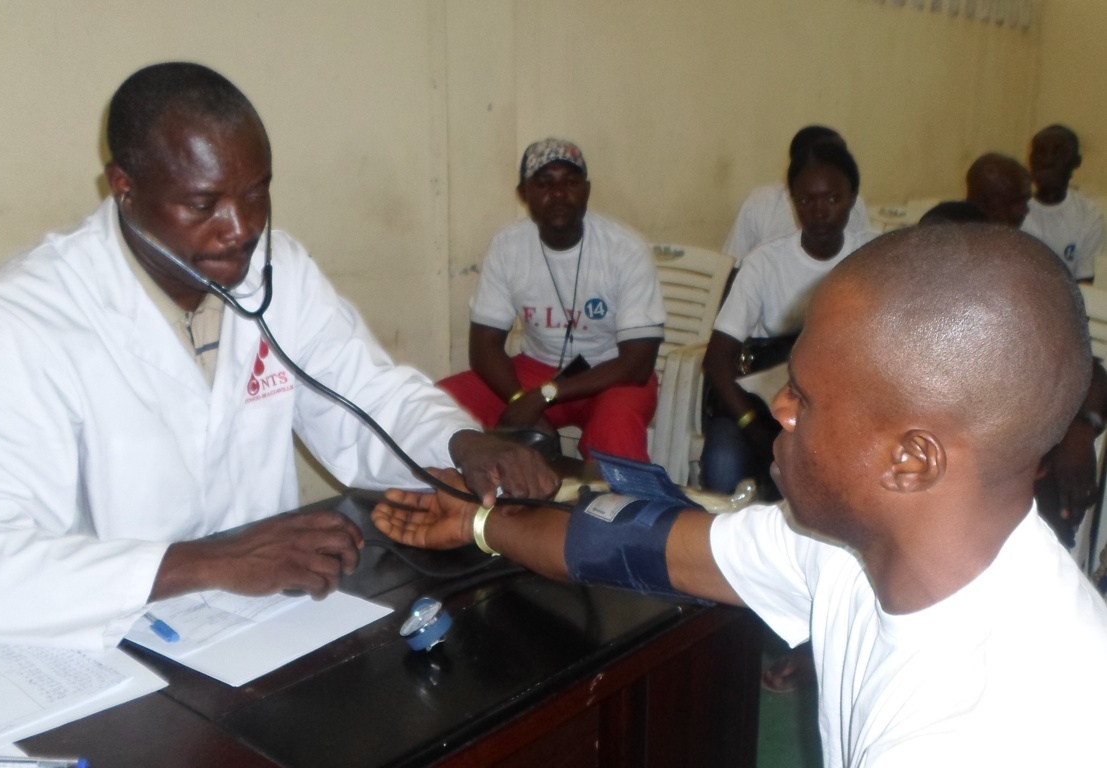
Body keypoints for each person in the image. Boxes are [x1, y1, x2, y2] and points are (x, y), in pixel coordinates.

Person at [374, 224, 1107, 766]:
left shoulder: (986, 733)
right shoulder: (854, 548)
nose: (776, 407)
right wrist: (478, 522)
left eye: (804, 397)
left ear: (910, 462)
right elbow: (638, 543)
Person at [0, 62, 556, 649]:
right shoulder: (12, 325)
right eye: (204, 204)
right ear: (124, 187)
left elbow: (364, 394)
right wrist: (205, 562)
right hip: (97, 655)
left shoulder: (278, 271)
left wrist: (459, 444)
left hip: (263, 629)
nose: (242, 228)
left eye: (256, 193)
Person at [437, 139, 665, 462]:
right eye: (544, 183)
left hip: (612, 374)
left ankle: (623, 496)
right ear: (523, 193)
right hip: (534, 370)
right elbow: (484, 347)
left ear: (586, 190)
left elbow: (637, 365)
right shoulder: (508, 247)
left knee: (614, 438)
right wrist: (519, 398)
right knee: (437, 405)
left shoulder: (626, 250)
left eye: (570, 182)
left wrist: (543, 397)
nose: (558, 193)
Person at [925, 187, 1107, 550]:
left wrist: (1082, 429)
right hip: (933, 485)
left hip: (1012, 487)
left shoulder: (1019, 312)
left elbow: (1092, 373)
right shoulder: (898, 320)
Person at [701, 140, 876, 499]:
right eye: (807, 200)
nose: (820, 211)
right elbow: (717, 359)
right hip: (763, 404)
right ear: (793, 203)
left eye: (833, 198)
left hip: (846, 403)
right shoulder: (764, 263)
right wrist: (753, 426)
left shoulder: (874, 255)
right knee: (722, 461)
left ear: (852, 198)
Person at [722, 125, 872, 267]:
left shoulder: (855, 205)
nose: (820, 212)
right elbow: (732, 264)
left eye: (833, 199)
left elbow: (862, 261)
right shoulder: (761, 203)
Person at [1021, 124, 1105, 284]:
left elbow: (1085, 284)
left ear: (1076, 162)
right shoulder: (1012, 208)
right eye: (1040, 153)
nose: (1048, 161)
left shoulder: (1090, 216)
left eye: (1058, 154)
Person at [964, 152, 1032, 228]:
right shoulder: (957, 232)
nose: (1026, 210)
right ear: (983, 205)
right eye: (1015, 202)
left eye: (1025, 201)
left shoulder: (1030, 229)